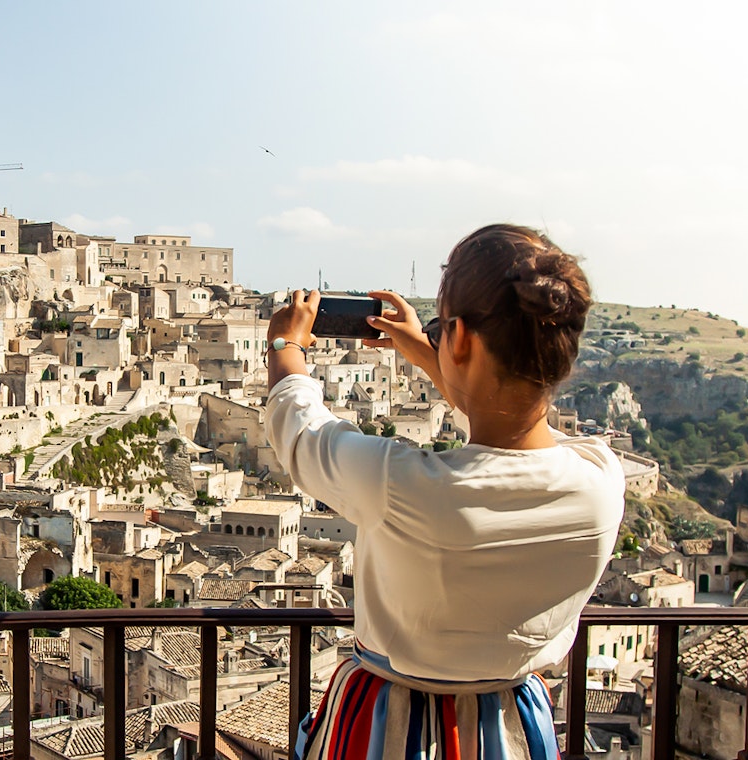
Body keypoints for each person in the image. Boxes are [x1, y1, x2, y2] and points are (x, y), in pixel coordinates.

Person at [264, 224, 624, 759]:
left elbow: (299, 427)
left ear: (461, 339)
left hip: (387, 723)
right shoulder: (601, 480)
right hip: (511, 726)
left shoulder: (401, 483)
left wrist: (286, 342)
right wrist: (430, 351)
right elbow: (514, 425)